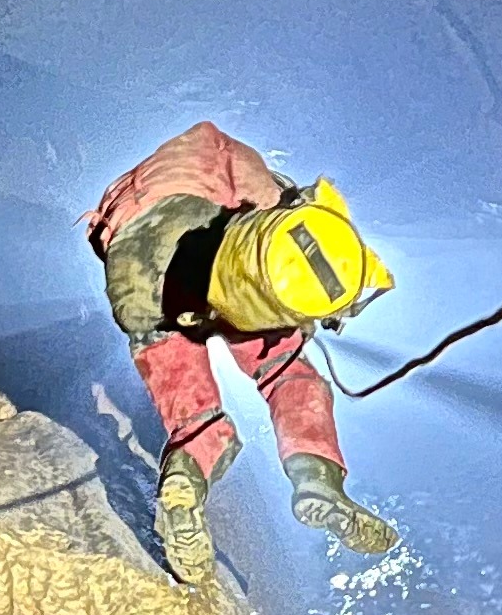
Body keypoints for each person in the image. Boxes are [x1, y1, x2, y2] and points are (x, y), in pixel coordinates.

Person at [88, 120, 400, 586]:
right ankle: (317, 477)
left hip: (136, 281)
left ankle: (183, 482)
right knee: (289, 373)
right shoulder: (242, 165)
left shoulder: (177, 162)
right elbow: (288, 249)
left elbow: (106, 240)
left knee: (194, 412)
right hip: (209, 270)